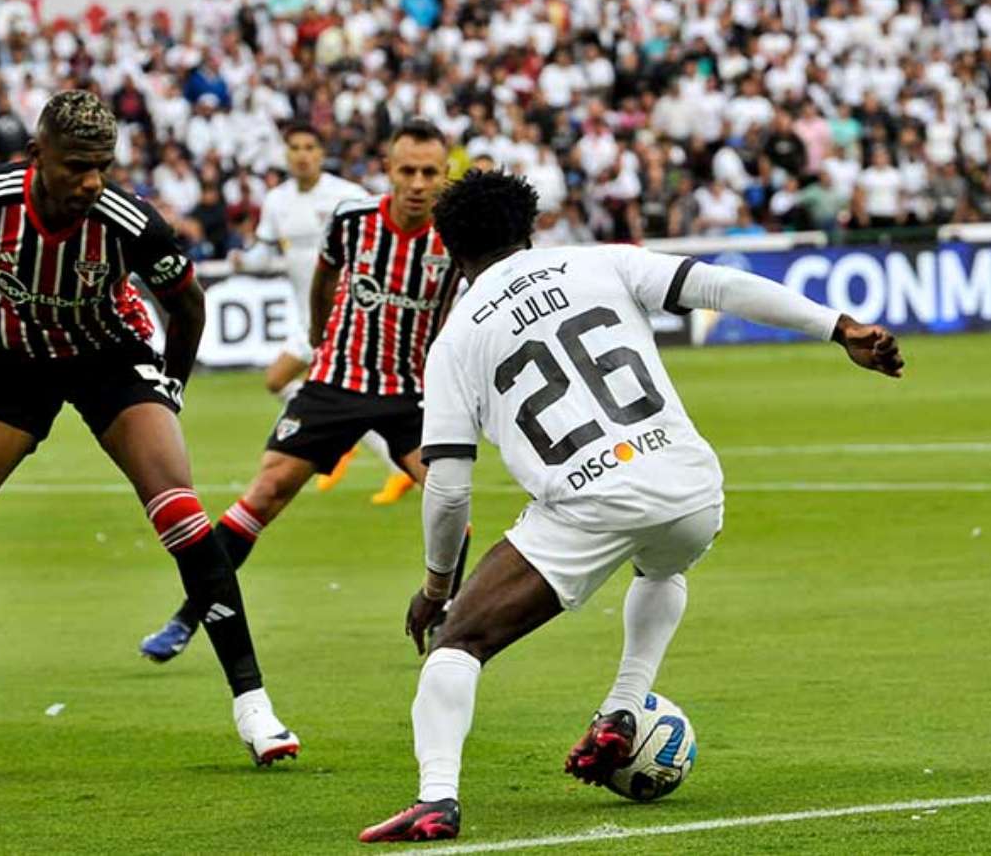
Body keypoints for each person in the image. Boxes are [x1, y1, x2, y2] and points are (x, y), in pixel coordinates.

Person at [359, 171, 904, 843]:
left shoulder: (455, 341)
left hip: (587, 502)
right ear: (531, 228)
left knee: (459, 642)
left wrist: (437, 585)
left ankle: (436, 797)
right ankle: (621, 709)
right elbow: (718, 286)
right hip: (692, 486)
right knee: (662, 568)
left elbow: (447, 485)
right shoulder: (598, 261)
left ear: (447, 252)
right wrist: (837, 326)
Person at [0, 91, 298, 784]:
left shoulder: (128, 220)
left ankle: (254, 705)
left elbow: (187, 303)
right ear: (38, 158)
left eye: (103, 166)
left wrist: (170, 387)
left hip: (110, 358)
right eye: (77, 166)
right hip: (12, 359)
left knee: (180, 511)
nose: (92, 180)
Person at [139, 119, 469, 664]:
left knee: (451, 503)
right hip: (335, 383)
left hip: (412, 393)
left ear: (443, 175)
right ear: (387, 170)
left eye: (429, 172)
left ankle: (449, 618)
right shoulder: (353, 220)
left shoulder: (455, 236)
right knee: (264, 494)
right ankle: (187, 617)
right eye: (406, 170)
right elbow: (323, 278)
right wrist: (320, 337)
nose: (416, 183)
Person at [227, 122, 414, 508]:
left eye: (309, 146)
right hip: (308, 317)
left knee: (296, 382)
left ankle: (351, 442)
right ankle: (352, 441)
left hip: (346, 316)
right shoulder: (277, 200)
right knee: (279, 382)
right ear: (285, 153)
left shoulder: (347, 196)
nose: (301, 154)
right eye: (294, 147)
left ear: (321, 152)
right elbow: (264, 251)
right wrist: (243, 260)